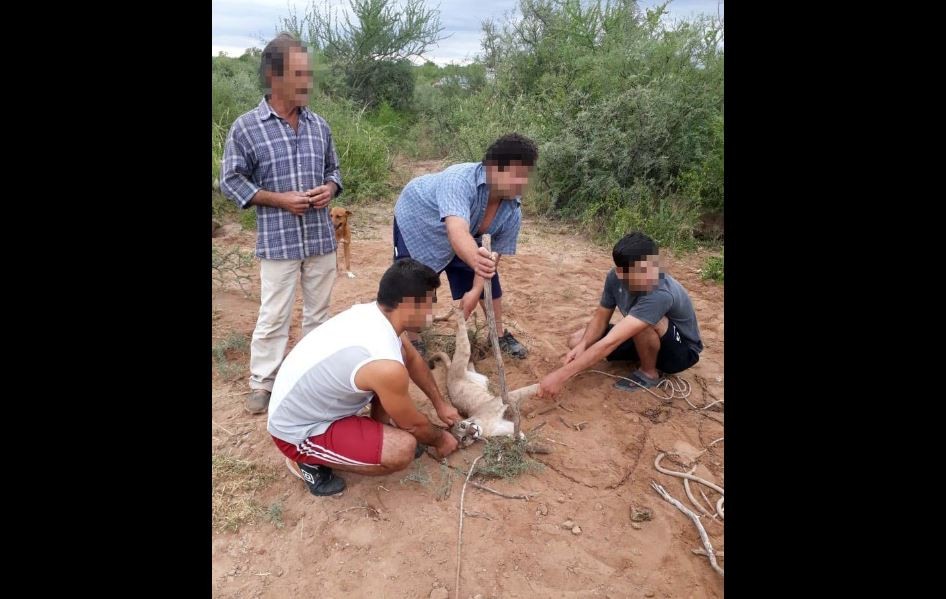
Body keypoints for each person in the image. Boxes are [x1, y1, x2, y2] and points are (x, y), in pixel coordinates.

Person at [220, 33, 343, 414]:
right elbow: (230, 180)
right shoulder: (247, 127)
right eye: (299, 72)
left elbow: (334, 171)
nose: (307, 80)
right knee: (274, 314)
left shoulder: (319, 125)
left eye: (308, 72)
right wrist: (278, 200)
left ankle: (310, 378)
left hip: (320, 239)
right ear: (274, 76)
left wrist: (329, 188)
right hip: (278, 241)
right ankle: (263, 382)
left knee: (319, 315)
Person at [268, 259, 461, 497]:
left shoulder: (375, 316)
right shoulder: (382, 362)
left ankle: (374, 431)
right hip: (296, 431)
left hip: (312, 404)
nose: (431, 314)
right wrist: (441, 439)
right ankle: (305, 459)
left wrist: (440, 405)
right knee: (402, 449)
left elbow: (412, 360)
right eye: (429, 305)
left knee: (395, 376)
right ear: (409, 305)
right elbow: (413, 425)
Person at [392, 133, 538, 359]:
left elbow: (492, 257)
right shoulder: (459, 179)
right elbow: (456, 230)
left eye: (525, 175)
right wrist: (478, 262)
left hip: (465, 235)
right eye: (516, 175)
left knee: (488, 276)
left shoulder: (512, 210)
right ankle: (413, 340)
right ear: (493, 168)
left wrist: (475, 290)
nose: (523, 182)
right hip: (420, 221)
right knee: (414, 279)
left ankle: (497, 335)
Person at [538, 232, 703, 398]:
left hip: (680, 352)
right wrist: (583, 345)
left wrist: (560, 375)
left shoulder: (660, 293)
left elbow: (611, 342)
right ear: (621, 272)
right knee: (576, 340)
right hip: (648, 338)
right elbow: (601, 317)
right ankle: (645, 354)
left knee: (645, 322)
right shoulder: (613, 278)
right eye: (641, 272)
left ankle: (648, 373)